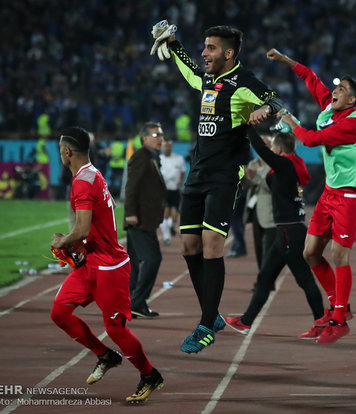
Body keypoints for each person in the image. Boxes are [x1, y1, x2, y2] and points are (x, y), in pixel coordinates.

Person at [152, 22, 283, 353]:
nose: (204, 53)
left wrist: (265, 109)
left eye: (210, 48)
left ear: (228, 53)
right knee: (189, 247)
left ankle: (205, 324)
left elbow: (277, 103)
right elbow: (190, 70)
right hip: (197, 173)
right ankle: (212, 317)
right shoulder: (207, 79)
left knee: (212, 245)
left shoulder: (244, 82)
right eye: (204, 47)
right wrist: (174, 43)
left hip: (226, 174)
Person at [50, 126, 163, 403]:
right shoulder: (93, 173)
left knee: (116, 329)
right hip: (91, 261)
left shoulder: (81, 182)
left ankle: (150, 375)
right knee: (59, 313)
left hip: (109, 266)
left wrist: (64, 240)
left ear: (67, 152)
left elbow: (84, 228)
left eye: (59, 151)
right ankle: (105, 355)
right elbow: (105, 209)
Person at [267, 48, 356, 344]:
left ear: (351, 100)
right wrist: (286, 60)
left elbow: (310, 140)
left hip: (349, 194)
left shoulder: (355, 123)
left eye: (341, 90)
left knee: (339, 254)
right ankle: (340, 306)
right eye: (335, 87)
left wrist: (290, 121)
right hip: (329, 192)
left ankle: (339, 318)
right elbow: (311, 78)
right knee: (310, 253)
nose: (334, 91)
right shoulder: (330, 107)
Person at [225, 129, 325, 339]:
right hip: (288, 231)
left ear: (279, 150)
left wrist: (248, 126)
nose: (269, 151)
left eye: (272, 148)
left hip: (289, 233)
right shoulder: (293, 165)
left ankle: (321, 323)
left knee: (305, 279)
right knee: (264, 278)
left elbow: (261, 150)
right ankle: (245, 321)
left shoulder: (285, 164)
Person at [124, 122, 166, 318]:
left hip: (145, 218)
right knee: (152, 258)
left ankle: (133, 304)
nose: (160, 139)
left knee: (133, 262)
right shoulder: (141, 156)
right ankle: (137, 302)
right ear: (144, 139)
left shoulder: (152, 157)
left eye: (161, 135)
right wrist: (130, 213)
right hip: (139, 220)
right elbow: (131, 187)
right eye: (156, 135)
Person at [159, 138, 186, 246]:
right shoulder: (159, 159)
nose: (167, 148)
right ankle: (166, 237)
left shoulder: (178, 158)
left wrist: (181, 181)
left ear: (171, 147)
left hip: (175, 189)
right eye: (165, 146)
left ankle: (170, 226)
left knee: (174, 216)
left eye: (169, 146)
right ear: (162, 147)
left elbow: (183, 172)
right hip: (163, 190)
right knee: (165, 212)